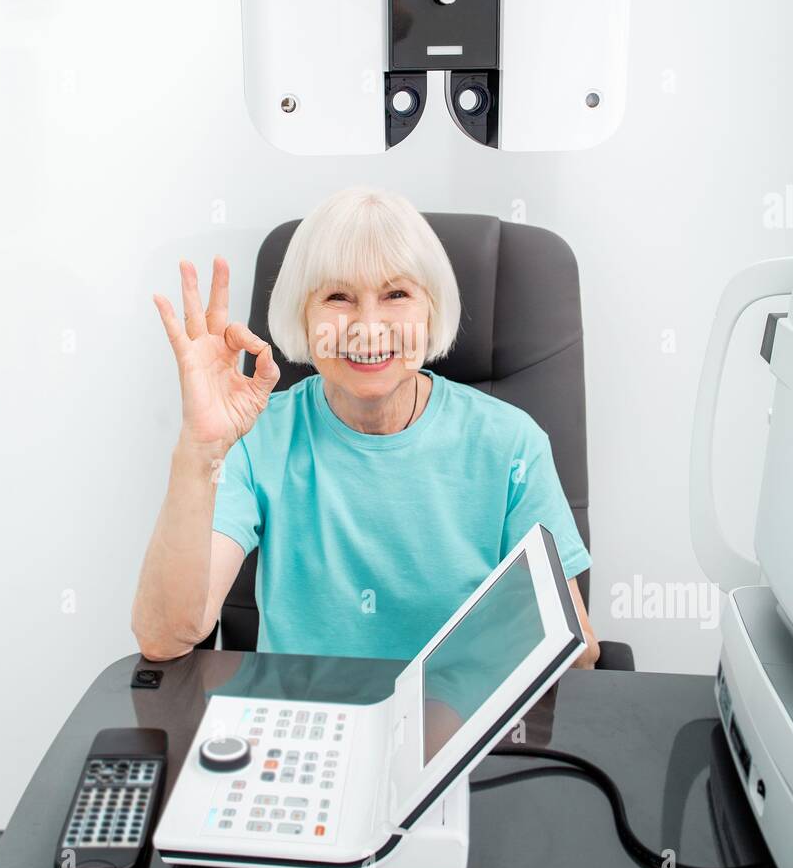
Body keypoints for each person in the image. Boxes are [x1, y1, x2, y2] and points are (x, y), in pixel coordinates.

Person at [131, 186, 600, 669]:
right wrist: (200, 447)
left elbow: (579, 654)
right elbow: (166, 638)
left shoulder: (510, 442)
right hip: (308, 725)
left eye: (396, 294)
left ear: (431, 309)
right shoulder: (257, 438)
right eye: (338, 297)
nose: (369, 327)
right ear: (302, 316)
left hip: (457, 726)